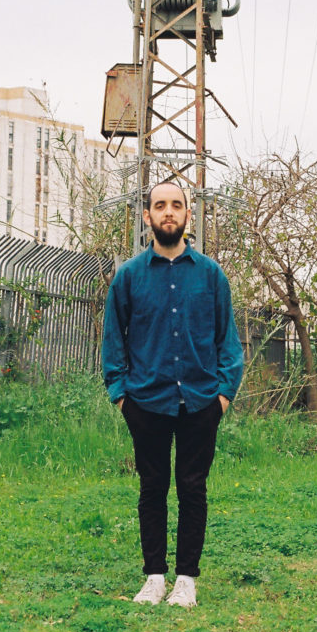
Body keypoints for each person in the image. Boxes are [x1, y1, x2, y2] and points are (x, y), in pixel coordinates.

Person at [102, 180, 244, 607]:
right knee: (152, 487)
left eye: (176, 205)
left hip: (201, 401)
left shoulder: (210, 275)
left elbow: (228, 341)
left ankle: (186, 580)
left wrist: (223, 395)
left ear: (188, 214)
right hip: (145, 401)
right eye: (160, 205)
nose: (169, 212)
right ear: (146, 216)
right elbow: (113, 341)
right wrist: (121, 395)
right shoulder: (129, 277)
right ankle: (154, 578)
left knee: (192, 488)